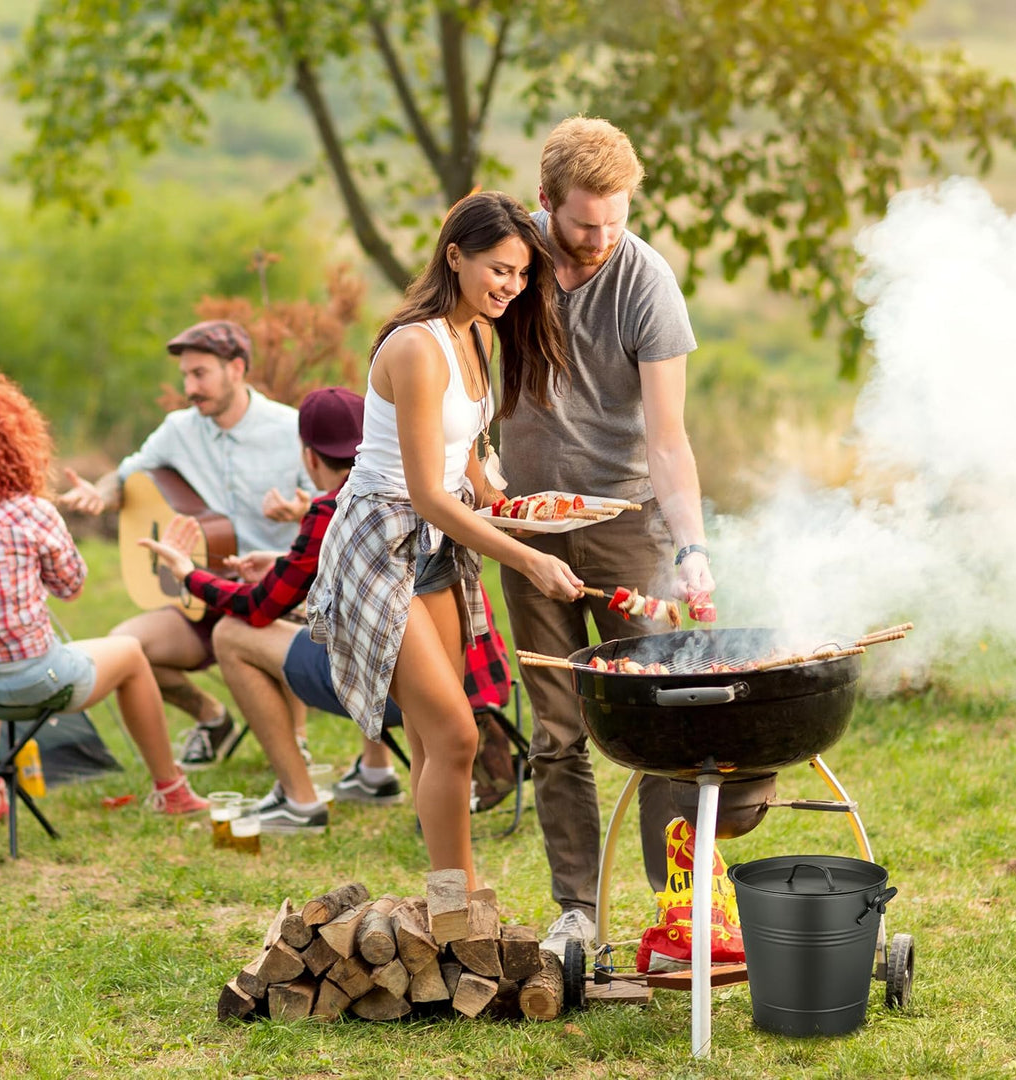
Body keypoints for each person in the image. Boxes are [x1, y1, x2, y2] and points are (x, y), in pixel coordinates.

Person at [307, 190, 583, 891]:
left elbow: (459, 457)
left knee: (441, 737)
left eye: (521, 275)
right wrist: (526, 556)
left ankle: (447, 896)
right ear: (455, 256)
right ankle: (457, 901)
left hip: (435, 548)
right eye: (499, 270)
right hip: (380, 545)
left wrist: (509, 506)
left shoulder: (475, 335)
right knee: (459, 735)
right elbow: (426, 490)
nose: (511, 287)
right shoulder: (416, 346)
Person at [497, 117, 717, 956]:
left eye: (615, 220)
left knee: (658, 722)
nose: (600, 238)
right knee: (556, 732)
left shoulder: (647, 281)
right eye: (585, 223)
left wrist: (691, 548)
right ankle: (578, 914)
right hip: (529, 529)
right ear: (545, 201)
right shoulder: (509, 269)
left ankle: (680, 908)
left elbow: (668, 438)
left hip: (630, 526)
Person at [138, 386, 401, 833]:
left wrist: (188, 575)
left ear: (310, 457)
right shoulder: (404, 488)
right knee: (369, 613)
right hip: (445, 682)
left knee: (232, 635)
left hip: (385, 691)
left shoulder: (329, 508)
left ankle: (299, 802)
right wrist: (281, 565)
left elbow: (259, 609)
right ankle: (375, 774)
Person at [59, 320, 316, 769]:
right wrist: (99, 495)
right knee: (126, 647)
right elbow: (125, 477)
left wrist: (302, 510)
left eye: (200, 374)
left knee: (253, 635)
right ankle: (211, 717)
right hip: (203, 590)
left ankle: (294, 744)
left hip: (274, 593)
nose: (190, 387)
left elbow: (330, 504)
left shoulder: (289, 428)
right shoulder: (178, 429)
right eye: (185, 376)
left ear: (236, 369)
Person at [0, 366, 207, 826]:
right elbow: (71, 588)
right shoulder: (31, 513)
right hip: (37, 681)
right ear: (9, 443)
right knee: (131, 654)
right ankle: (170, 789)